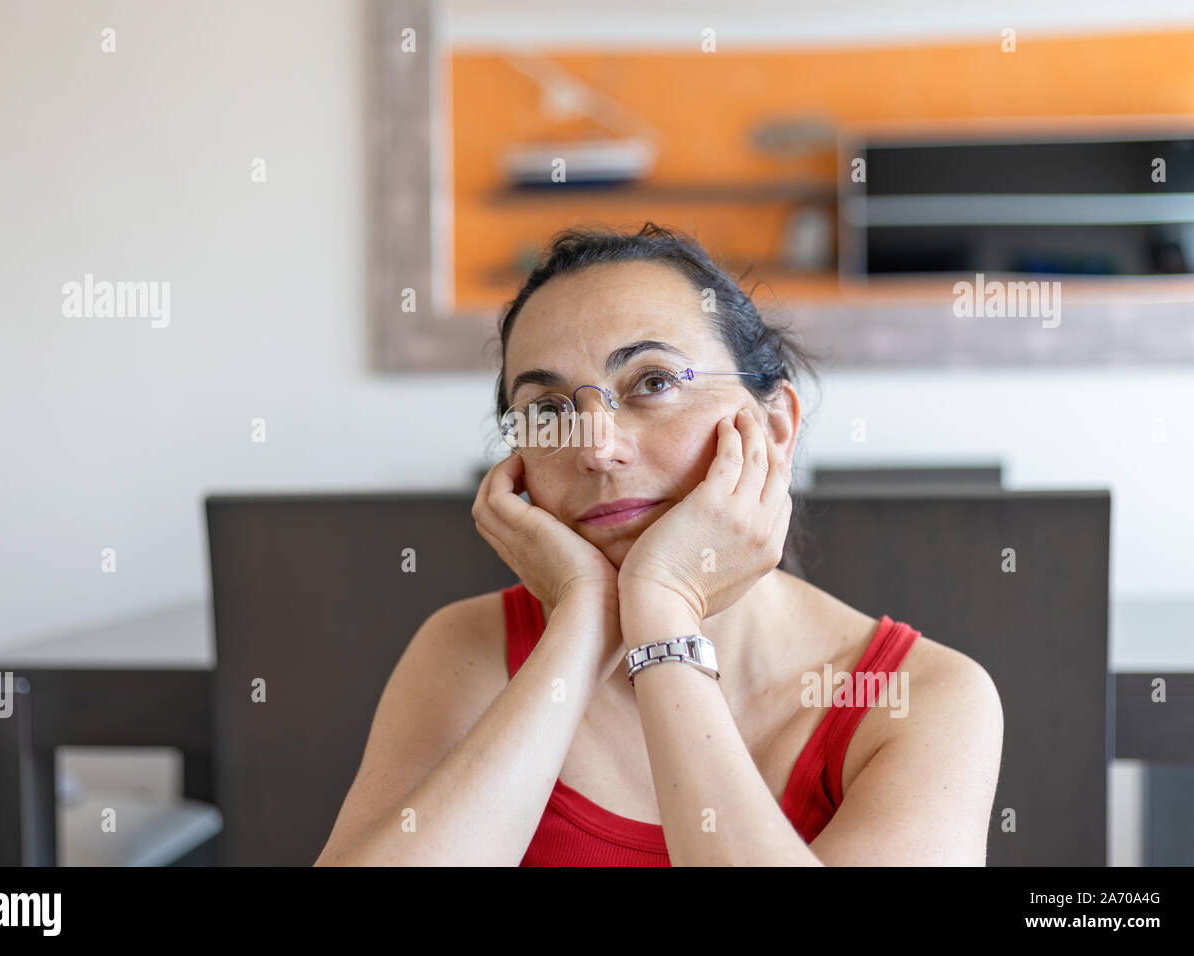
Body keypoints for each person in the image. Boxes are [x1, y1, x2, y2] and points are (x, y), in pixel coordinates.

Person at [315, 222, 1002, 866]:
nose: (597, 449)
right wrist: (582, 623)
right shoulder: (465, 652)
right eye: (549, 410)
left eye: (653, 383)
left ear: (775, 426)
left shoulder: (921, 694)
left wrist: (665, 611)